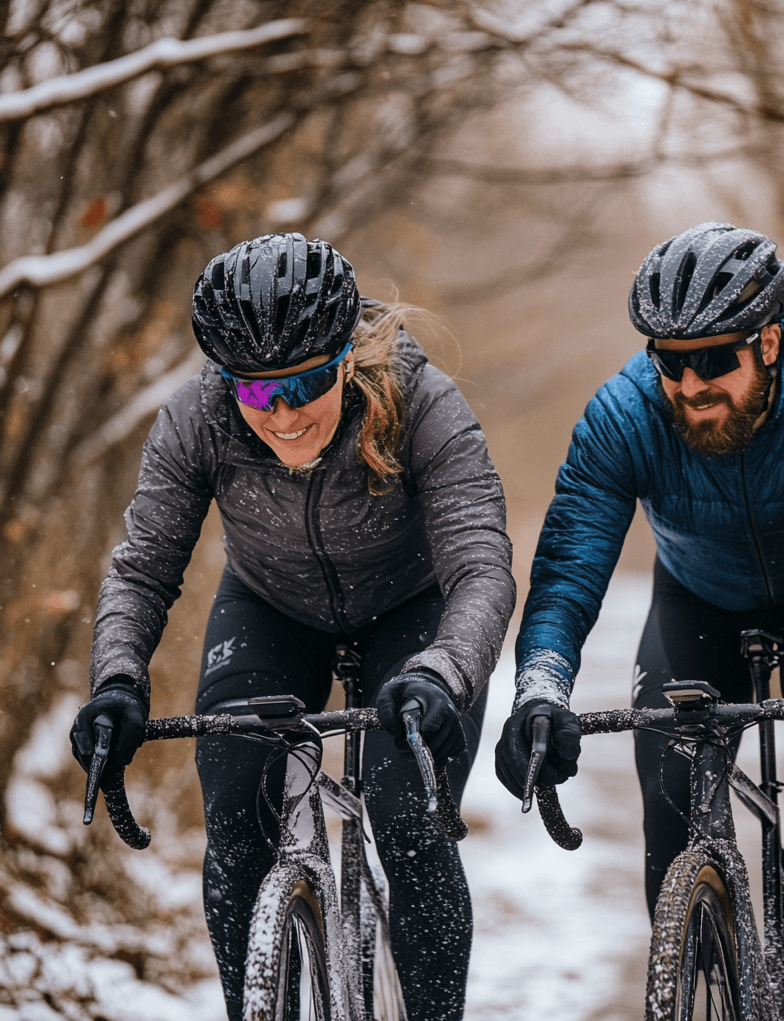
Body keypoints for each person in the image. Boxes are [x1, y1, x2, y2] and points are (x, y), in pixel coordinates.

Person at [495, 222, 784, 1021]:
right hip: (697, 597)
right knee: (669, 786)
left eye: (716, 360)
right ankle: (709, 972)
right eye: (672, 361)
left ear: (769, 342)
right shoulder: (626, 415)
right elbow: (567, 573)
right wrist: (540, 689)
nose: (692, 383)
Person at [70, 232, 515, 1021]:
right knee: (238, 814)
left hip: (413, 615)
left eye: (303, 383)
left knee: (407, 818)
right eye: (253, 390)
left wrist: (448, 669)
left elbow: (480, 565)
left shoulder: (424, 403)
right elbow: (143, 569)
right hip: (270, 611)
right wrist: (116, 678)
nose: (278, 414)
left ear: (347, 358)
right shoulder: (197, 418)